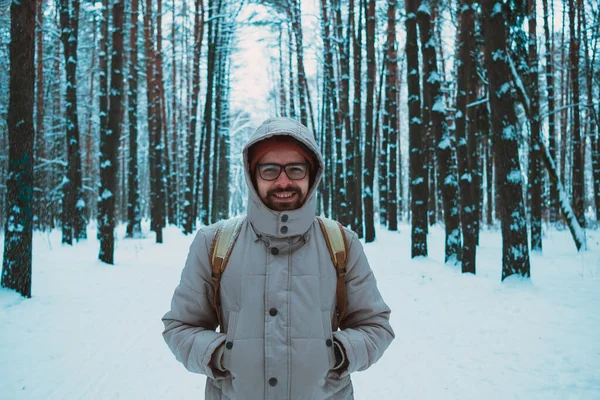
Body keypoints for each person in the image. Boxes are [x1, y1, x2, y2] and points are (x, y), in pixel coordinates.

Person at [162, 117, 394, 400]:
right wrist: (220, 355)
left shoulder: (342, 243)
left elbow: (376, 325)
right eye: (270, 169)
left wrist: (338, 354)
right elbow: (180, 327)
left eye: (295, 169)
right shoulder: (213, 243)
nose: (283, 181)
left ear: (312, 174)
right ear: (252, 175)